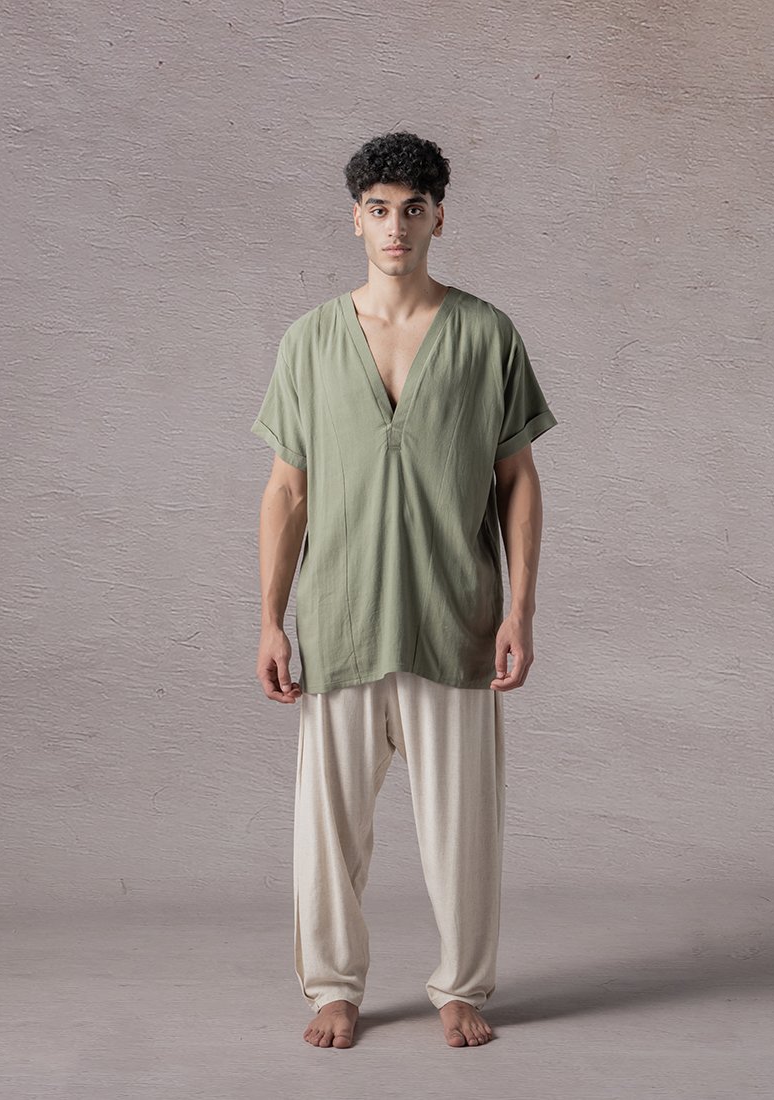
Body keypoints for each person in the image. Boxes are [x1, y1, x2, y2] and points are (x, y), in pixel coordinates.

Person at [251, 131, 558, 1049]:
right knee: (326, 833)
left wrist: (520, 608)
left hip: (454, 619)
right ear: (356, 219)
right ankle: (333, 989)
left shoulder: (486, 334)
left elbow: (518, 478)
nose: (396, 226)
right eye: (379, 209)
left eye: (413, 210)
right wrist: (269, 620)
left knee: (462, 830)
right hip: (339, 619)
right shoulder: (310, 341)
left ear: (438, 220)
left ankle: (460, 985)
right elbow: (288, 489)